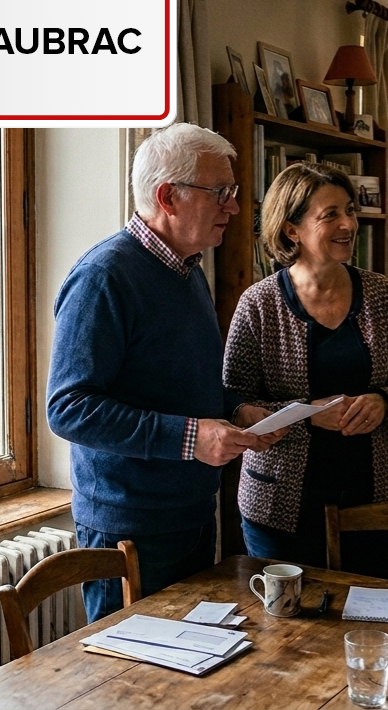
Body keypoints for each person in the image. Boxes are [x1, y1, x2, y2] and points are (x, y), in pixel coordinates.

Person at [47, 123, 283, 622]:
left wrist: (234, 411)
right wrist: (191, 437)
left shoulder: (187, 269)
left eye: (233, 193)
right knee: (131, 689)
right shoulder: (103, 276)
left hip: (191, 512)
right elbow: (69, 409)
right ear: (167, 197)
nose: (235, 207)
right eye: (220, 193)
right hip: (129, 527)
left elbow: (174, 383)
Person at [224, 162, 388, 578]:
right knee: (285, 634)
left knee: (367, 617)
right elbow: (233, 402)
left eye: (349, 210)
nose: (348, 223)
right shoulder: (258, 304)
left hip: (371, 498)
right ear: (291, 229)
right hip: (279, 506)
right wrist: (310, 415)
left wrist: (383, 401)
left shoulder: (381, 294)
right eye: (330, 214)